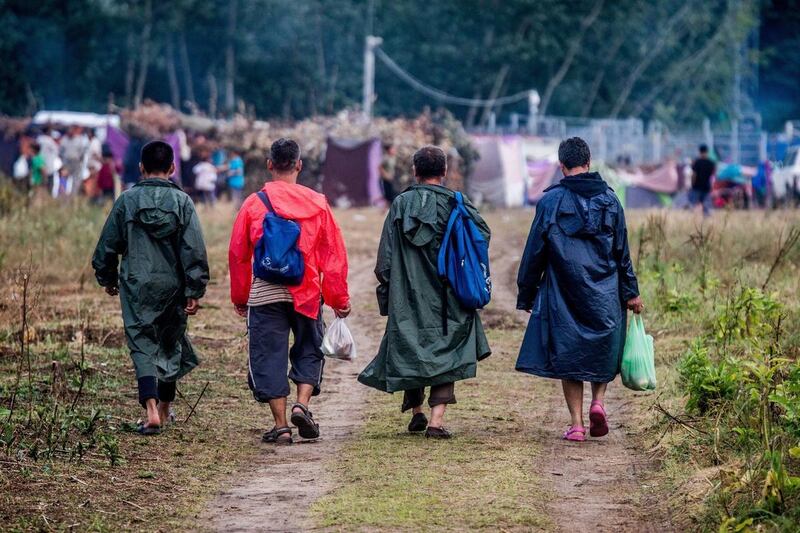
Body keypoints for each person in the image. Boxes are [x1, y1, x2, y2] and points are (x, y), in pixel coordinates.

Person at [358, 146, 492, 439]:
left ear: (415, 171)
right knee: (450, 351)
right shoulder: (458, 203)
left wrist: (392, 289)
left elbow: (384, 260)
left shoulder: (400, 205)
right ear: (444, 171)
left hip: (406, 296)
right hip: (450, 296)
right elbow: (481, 238)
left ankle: (417, 410)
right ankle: (436, 421)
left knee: (410, 345)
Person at [515, 137, 643, 443]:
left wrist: (527, 292)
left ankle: (576, 425)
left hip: (563, 292)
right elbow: (622, 252)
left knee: (569, 355)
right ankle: (598, 402)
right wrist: (631, 291)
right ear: (588, 163)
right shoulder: (611, 200)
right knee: (603, 350)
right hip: (606, 292)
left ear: (562, 166)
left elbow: (534, 252)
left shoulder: (550, 202)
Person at [228, 138, 351, 444]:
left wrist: (240, 296)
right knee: (310, 347)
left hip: (265, 294)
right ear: (299, 165)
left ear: (270, 164)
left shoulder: (253, 203)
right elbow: (333, 255)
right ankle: (302, 405)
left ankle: (281, 425)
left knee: (268, 355)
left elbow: (238, 254)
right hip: (306, 292)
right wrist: (338, 298)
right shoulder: (318, 204)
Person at [92, 141, 209, 435]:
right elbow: (194, 249)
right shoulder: (183, 202)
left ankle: (152, 411)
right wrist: (194, 289)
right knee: (171, 341)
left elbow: (107, 246)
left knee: (142, 344)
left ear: (141, 168)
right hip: (173, 285)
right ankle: (166, 408)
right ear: (172, 168)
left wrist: (108, 278)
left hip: (136, 284)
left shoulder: (126, 201)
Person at [690, 144, 715, 216]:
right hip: (706, 186)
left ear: (699, 152)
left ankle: (693, 217)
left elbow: (694, 175)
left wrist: (692, 184)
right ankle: (706, 218)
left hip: (696, 186)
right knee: (706, 205)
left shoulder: (697, 162)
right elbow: (712, 176)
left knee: (693, 204)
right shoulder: (711, 163)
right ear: (707, 152)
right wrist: (712, 186)